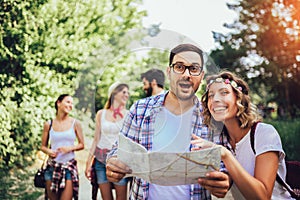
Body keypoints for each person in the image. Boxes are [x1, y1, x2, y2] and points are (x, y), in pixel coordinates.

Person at [105, 44, 231, 199]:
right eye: (179, 67)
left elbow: (225, 166)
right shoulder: (140, 109)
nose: (186, 74)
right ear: (169, 71)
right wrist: (113, 162)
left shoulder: (213, 118)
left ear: (202, 75)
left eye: (194, 69)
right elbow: (118, 150)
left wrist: (225, 181)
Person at [191, 71, 294, 199]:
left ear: (238, 98)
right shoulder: (219, 139)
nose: (215, 99)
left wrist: (226, 155)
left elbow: (262, 197)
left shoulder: (264, 133)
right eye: (211, 95)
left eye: (224, 92)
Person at [85, 82, 130, 200]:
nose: (127, 95)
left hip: (119, 161)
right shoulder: (101, 114)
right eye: (124, 92)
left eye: (128, 93)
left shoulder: (128, 115)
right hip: (100, 161)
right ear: (114, 93)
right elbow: (96, 139)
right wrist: (88, 163)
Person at [41, 94, 84, 200]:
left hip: (68, 167)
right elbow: (43, 146)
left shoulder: (75, 123)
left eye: (72, 103)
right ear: (58, 103)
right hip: (52, 168)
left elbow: (82, 144)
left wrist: (69, 148)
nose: (70, 105)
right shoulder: (49, 124)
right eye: (68, 102)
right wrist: (49, 151)